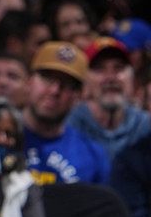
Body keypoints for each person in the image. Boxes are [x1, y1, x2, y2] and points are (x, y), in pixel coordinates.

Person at [21, 42, 110, 185]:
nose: (55, 90)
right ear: (28, 82)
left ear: (80, 96)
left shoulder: (92, 156)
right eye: (47, 78)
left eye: (67, 85)